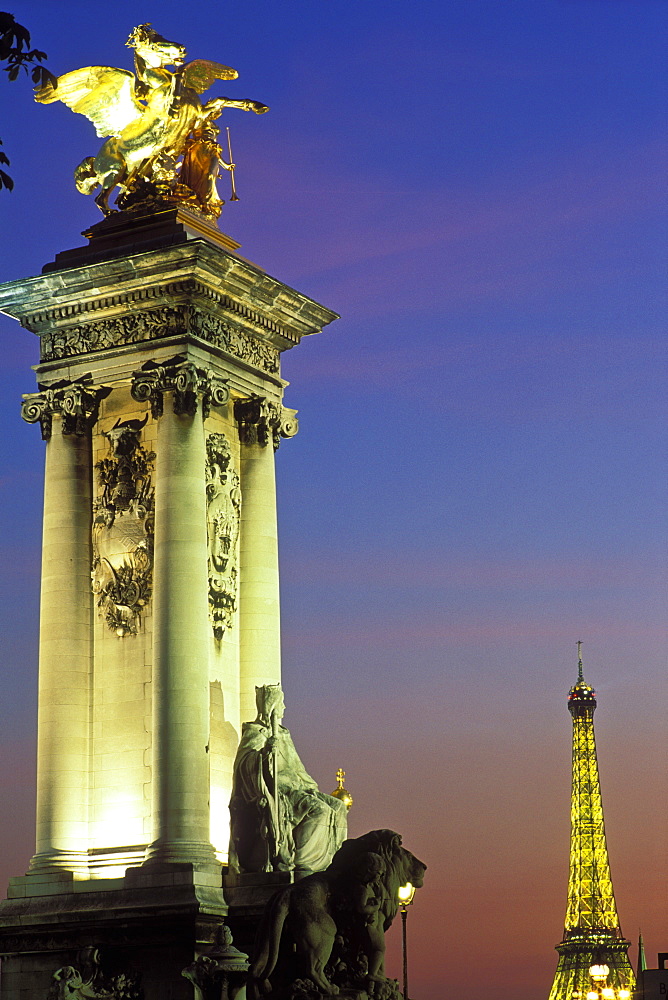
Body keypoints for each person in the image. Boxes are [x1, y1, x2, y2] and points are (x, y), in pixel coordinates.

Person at [229, 684, 347, 876]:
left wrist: (310, 787)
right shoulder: (255, 733)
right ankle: (303, 861)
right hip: (282, 791)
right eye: (281, 704)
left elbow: (297, 768)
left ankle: (330, 861)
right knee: (320, 810)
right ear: (272, 706)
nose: (284, 708)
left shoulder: (283, 734)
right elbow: (244, 766)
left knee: (338, 806)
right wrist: (265, 754)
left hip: (299, 788)